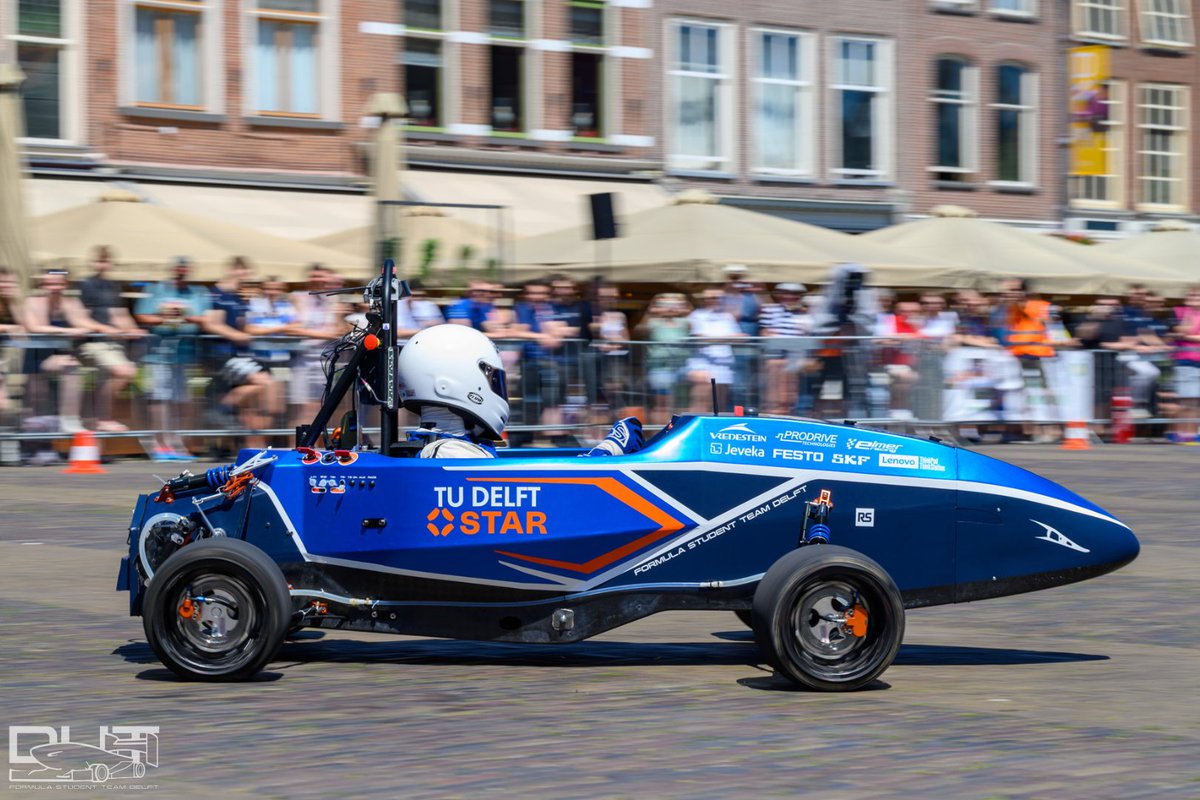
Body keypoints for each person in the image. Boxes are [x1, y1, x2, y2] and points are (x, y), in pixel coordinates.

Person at [396, 324, 641, 458]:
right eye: (493, 378)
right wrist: (606, 452)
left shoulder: (447, 446)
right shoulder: (451, 453)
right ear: (449, 384)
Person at [23, 269, 122, 434]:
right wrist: (66, 331)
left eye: (58, 283)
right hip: (35, 355)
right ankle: (34, 448)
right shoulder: (33, 302)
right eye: (49, 283)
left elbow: (84, 322)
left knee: (72, 367)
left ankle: (70, 420)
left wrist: (108, 329)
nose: (54, 287)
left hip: (59, 355)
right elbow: (34, 327)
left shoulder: (70, 303)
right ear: (42, 285)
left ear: (65, 285)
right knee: (34, 403)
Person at [134, 256, 212, 459]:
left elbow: (206, 319)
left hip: (185, 354)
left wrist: (183, 316)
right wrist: (166, 317)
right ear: (172, 270)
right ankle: (160, 445)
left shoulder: (198, 292)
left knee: (180, 401)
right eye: (178, 269)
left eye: (184, 269)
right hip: (158, 354)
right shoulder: (156, 290)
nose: (181, 272)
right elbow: (142, 316)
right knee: (160, 399)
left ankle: (178, 445)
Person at [203, 259, 278, 450]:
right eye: (241, 271)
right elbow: (211, 323)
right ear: (232, 270)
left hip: (239, 356)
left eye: (247, 272)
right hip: (222, 355)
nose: (245, 275)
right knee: (264, 382)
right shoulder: (219, 294)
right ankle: (219, 410)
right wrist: (238, 335)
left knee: (258, 397)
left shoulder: (238, 297)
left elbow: (246, 326)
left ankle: (245, 444)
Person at [76, 246, 145, 431]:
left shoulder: (114, 286)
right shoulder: (86, 284)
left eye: (106, 261)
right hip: (92, 342)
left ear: (111, 263)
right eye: (99, 260)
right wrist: (106, 329)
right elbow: (82, 318)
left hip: (112, 344)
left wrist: (133, 329)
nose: (103, 265)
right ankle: (102, 417)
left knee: (118, 375)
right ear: (92, 262)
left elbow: (120, 314)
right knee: (124, 372)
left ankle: (95, 420)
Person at [686, 287, 743, 412]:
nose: (717, 300)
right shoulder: (696, 315)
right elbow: (699, 338)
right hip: (702, 365)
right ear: (705, 299)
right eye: (713, 297)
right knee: (700, 403)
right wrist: (728, 338)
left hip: (725, 364)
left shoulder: (727, 316)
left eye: (720, 297)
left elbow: (740, 338)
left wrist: (715, 339)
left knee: (720, 405)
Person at [758, 283, 811, 416]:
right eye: (787, 293)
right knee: (775, 393)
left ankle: (787, 417)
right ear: (780, 295)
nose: (790, 297)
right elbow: (765, 332)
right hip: (775, 357)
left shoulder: (804, 313)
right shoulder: (771, 310)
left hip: (794, 357)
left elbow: (806, 335)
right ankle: (772, 417)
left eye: (795, 295)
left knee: (790, 394)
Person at [0, 266, 25, 425]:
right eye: (2, 281)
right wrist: (9, 328)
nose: (6, 285)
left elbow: (24, 325)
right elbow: (15, 328)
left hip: (3, 360)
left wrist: (15, 301)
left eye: (11, 282)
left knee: (3, 403)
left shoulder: (12, 303)